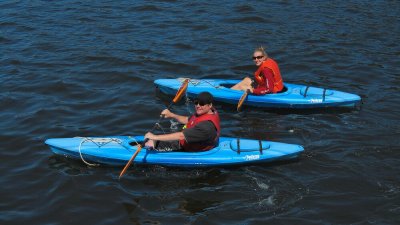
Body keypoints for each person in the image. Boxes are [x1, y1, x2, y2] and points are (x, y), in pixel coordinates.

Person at [144, 91, 220, 152]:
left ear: (210, 105)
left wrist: (154, 137)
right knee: (155, 139)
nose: (198, 106)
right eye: (196, 102)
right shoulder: (210, 111)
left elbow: (181, 136)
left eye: (202, 103)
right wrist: (172, 115)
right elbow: (189, 120)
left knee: (152, 142)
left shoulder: (206, 126)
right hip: (194, 138)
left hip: (189, 147)